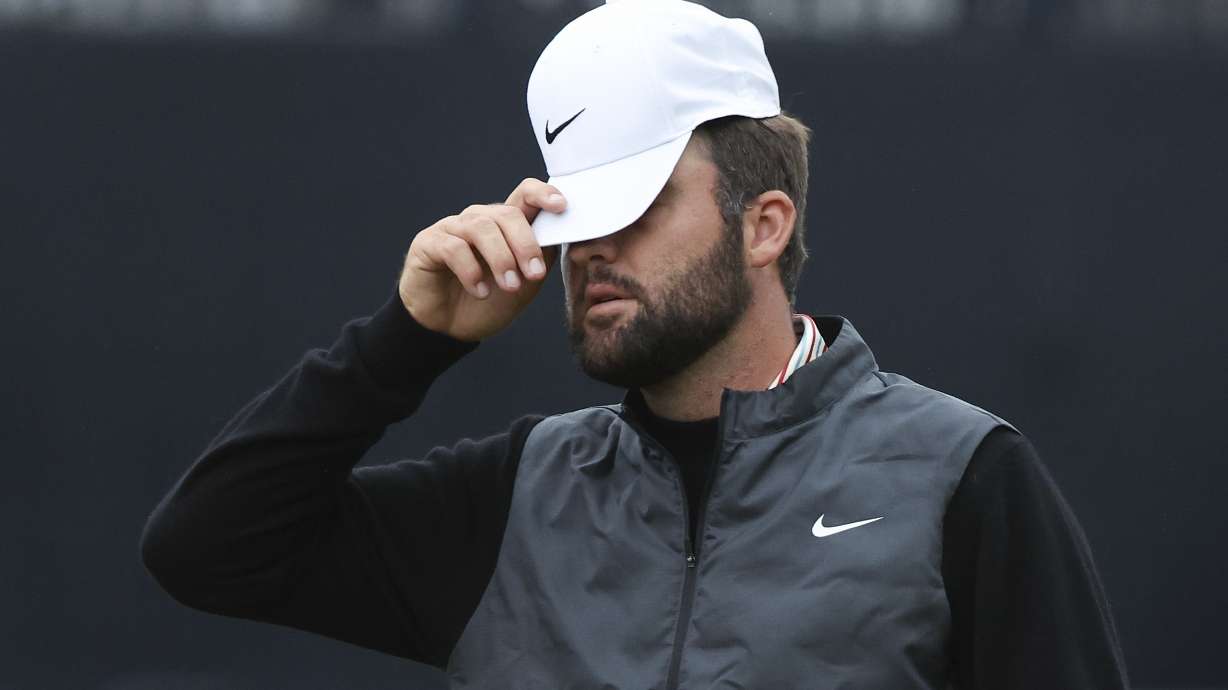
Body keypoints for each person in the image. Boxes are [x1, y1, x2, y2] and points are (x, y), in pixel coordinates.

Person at [140, 1, 1130, 687]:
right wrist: (407, 340)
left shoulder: (957, 480)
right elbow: (206, 548)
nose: (591, 251)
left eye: (640, 210)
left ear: (764, 224)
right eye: (576, 221)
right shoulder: (518, 498)